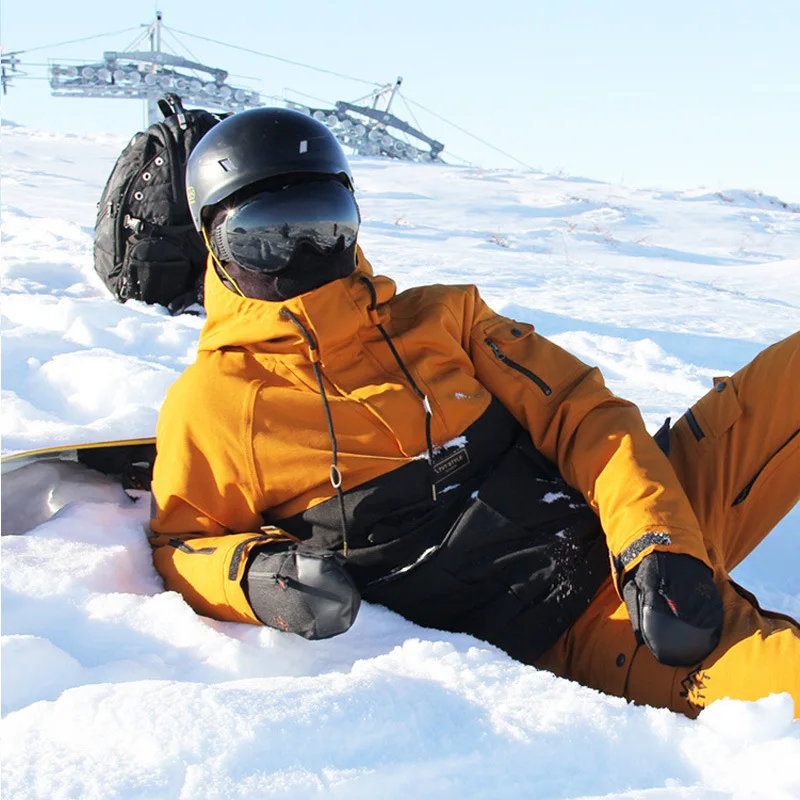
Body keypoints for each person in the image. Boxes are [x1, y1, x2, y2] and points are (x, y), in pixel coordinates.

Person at [149, 107, 800, 719]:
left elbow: (582, 413)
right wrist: (257, 577)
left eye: (326, 224)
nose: (305, 254)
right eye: (265, 238)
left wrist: (655, 540)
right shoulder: (221, 403)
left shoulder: (444, 319)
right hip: (574, 629)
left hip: (631, 523)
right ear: (218, 247)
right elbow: (183, 543)